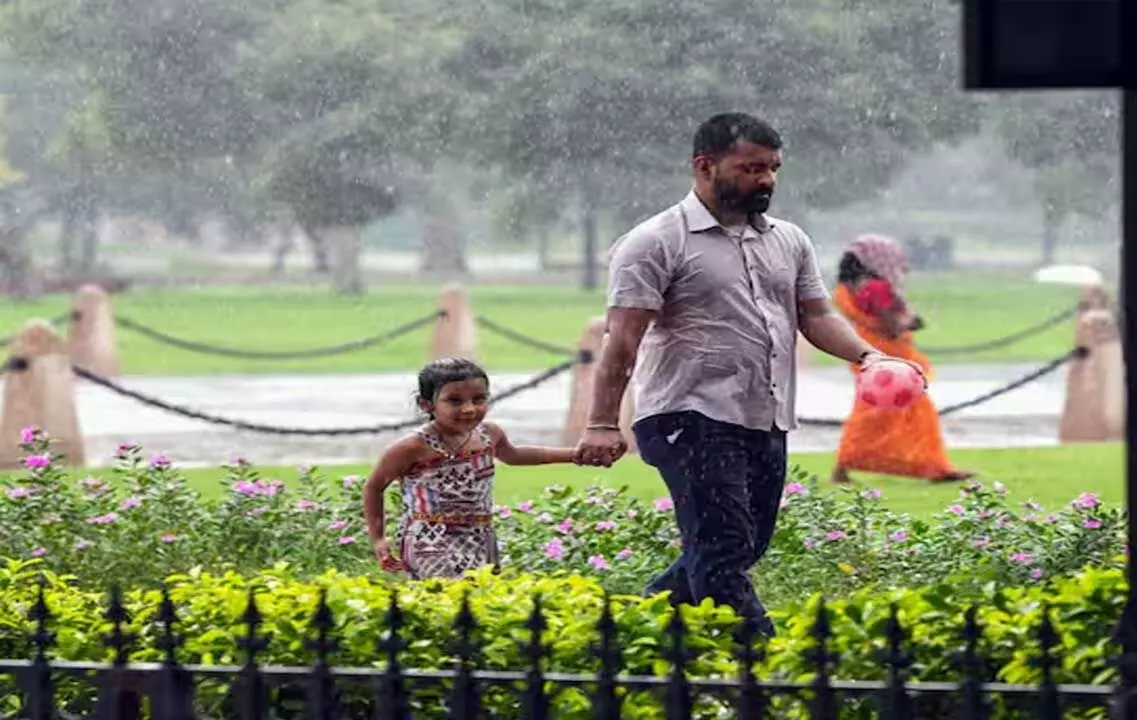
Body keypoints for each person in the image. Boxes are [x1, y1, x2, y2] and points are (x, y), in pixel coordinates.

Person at [572, 112, 914, 637]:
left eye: (773, 168)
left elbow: (817, 316)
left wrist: (870, 357)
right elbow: (623, 341)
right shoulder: (655, 242)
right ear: (704, 167)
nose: (767, 180)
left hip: (763, 414)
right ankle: (762, 662)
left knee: (744, 543)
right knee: (725, 548)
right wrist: (600, 422)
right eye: (752, 167)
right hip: (688, 415)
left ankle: (626, 634)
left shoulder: (789, 240)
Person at [363, 357, 577, 579]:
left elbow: (514, 455)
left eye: (479, 399)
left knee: (481, 600)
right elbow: (374, 487)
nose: (469, 409)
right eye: (454, 401)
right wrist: (378, 538)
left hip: (480, 537)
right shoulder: (413, 447)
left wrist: (575, 455)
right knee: (441, 600)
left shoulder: (489, 435)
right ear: (426, 404)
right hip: (430, 542)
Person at [829, 234, 975, 485]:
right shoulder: (877, 288)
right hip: (890, 358)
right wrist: (910, 322)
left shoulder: (851, 289)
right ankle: (933, 467)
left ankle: (849, 466)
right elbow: (891, 325)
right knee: (899, 414)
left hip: (868, 354)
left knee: (874, 413)